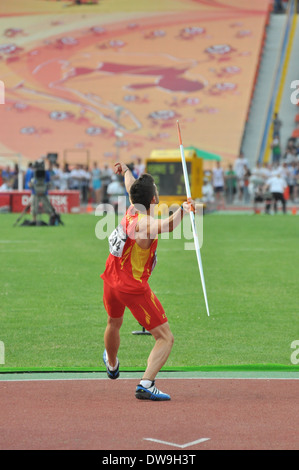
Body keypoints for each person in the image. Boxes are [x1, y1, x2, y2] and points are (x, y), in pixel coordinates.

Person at [101, 161, 195, 401]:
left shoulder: (133, 207)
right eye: (156, 190)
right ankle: (146, 383)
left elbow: (131, 185)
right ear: (153, 199)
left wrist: (126, 170)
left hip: (110, 279)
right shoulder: (144, 222)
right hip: (131, 287)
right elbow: (167, 225)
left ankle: (112, 364)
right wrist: (184, 210)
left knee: (113, 322)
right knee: (165, 337)